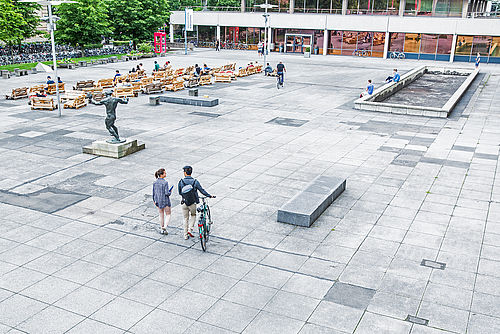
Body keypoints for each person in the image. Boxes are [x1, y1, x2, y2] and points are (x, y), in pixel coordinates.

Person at [178, 166, 214, 240]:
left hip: (184, 202)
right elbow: (202, 190)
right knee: (193, 215)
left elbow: (180, 192)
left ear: (185, 173)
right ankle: (190, 229)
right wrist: (209, 195)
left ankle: (185, 235)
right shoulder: (195, 181)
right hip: (193, 203)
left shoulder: (181, 182)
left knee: (185, 218)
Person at [153, 168, 172, 235]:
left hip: (158, 200)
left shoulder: (155, 182)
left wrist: (154, 200)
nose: (165, 174)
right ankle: (165, 227)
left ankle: (162, 227)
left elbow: (154, 192)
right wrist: (170, 192)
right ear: (162, 174)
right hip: (165, 200)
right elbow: (167, 193)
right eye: (165, 173)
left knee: (161, 214)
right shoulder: (165, 183)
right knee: (168, 214)